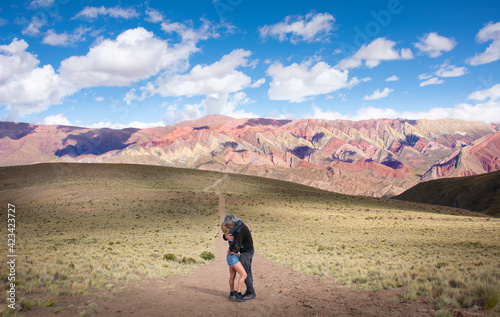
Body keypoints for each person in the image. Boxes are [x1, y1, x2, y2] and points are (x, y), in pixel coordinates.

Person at [222, 214, 256, 301]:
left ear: (232, 224)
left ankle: (249, 292)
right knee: (246, 272)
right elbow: (229, 235)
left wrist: (232, 251)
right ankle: (247, 292)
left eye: (228, 225)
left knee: (245, 273)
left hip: (245, 253)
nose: (228, 227)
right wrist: (226, 237)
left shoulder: (239, 230)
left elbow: (237, 246)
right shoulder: (238, 225)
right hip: (244, 252)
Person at [221, 221, 247, 302]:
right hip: (233, 257)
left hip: (229, 256)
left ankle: (232, 293)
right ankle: (237, 294)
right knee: (244, 275)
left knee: (232, 276)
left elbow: (229, 247)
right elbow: (239, 227)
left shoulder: (228, 235)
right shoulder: (233, 234)